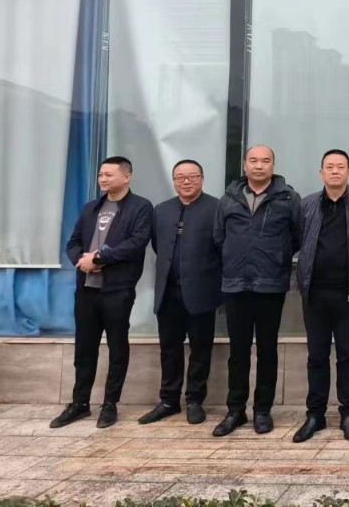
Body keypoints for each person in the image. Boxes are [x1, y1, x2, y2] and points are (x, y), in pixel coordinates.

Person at [51, 156, 152, 430]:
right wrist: (81, 260)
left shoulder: (140, 207)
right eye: (100, 174)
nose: (103, 179)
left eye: (108, 174)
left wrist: (99, 258)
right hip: (87, 290)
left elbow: (136, 243)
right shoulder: (91, 208)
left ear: (127, 177)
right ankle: (80, 403)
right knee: (84, 348)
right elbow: (73, 242)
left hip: (117, 290)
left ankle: (110, 404)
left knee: (117, 348)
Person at [212, 145, 302, 437]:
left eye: (265, 161)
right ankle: (235, 410)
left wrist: (274, 257)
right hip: (236, 285)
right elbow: (219, 237)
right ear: (245, 164)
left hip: (270, 285)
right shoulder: (228, 199)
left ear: (273, 165)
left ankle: (262, 410)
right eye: (253, 160)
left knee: (267, 350)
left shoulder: (288, 198)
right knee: (237, 352)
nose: (259, 165)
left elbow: (297, 237)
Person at [292, 149, 349, 443]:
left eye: (340, 167)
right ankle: (315, 415)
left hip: (348, 293)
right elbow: (298, 239)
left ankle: (348, 414)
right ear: (321, 173)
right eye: (329, 167)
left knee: (347, 354)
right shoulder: (306, 205)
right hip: (314, 293)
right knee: (316, 355)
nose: (335, 171)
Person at [138, 159, 221, 426]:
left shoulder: (217, 208)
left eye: (192, 176)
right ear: (174, 181)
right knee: (169, 349)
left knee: (200, 350)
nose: (186, 181)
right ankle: (168, 400)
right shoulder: (161, 210)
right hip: (168, 292)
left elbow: (223, 248)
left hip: (201, 292)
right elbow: (157, 245)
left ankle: (195, 400)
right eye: (180, 177)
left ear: (202, 179)